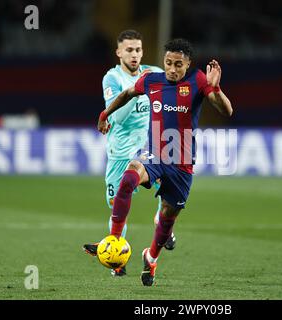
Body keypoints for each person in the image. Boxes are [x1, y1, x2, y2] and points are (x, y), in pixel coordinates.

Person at [97, 38, 233, 286]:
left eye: (178, 64)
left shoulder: (198, 80)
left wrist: (217, 89)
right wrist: (106, 113)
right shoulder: (152, 79)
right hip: (154, 152)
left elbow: (226, 111)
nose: (172, 69)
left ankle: (150, 257)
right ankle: (115, 240)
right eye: (168, 63)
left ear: (188, 64)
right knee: (128, 178)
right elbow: (127, 94)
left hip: (181, 161)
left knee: (167, 217)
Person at [82, 30, 176, 277]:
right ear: (119, 52)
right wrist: (137, 90)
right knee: (116, 207)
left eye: (138, 50)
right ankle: (117, 259)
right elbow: (118, 116)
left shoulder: (154, 71)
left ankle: (160, 220)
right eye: (129, 50)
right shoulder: (112, 79)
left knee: (168, 184)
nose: (134, 55)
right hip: (120, 153)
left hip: (148, 148)